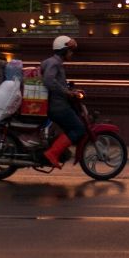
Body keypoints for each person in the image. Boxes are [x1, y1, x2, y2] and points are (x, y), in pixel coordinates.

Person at [41, 35, 85, 168]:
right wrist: (67, 92)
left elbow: (56, 82)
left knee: (71, 129)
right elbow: (49, 81)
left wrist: (71, 90)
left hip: (56, 104)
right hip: (58, 106)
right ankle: (52, 154)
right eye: (70, 51)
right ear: (63, 50)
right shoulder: (54, 63)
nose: (71, 54)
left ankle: (56, 151)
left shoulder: (53, 62)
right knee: (78, 129)